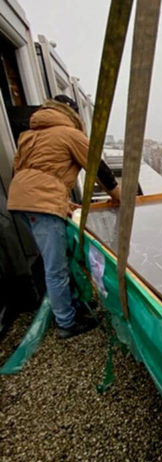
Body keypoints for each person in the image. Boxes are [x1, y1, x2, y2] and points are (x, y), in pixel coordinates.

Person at [7, 95, 121, 339]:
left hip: (21, 201)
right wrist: (118, 197)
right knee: (55, 266)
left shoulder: (28, 135)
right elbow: (98, 168)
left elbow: (27, 172)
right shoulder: (69, 133)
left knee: (56, 259)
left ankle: (71, 307)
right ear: (71, 113)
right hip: (40, 204)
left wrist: (60, 201)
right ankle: (66, 323)